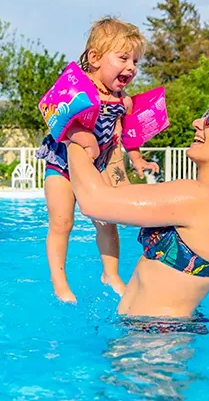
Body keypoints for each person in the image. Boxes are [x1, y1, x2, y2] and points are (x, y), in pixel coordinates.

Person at [67, 94, 209, 318]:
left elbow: (93, 202)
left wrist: (73, 133)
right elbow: (118, 196)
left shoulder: (202, 198)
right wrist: (114, 139)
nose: (197, 122)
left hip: (151, 343)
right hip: (162, 336)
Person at [36, 17, 159, 303]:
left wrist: (137, 160)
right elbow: (55, 115)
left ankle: (111, 274)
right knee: (62, 221)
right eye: (124, 58)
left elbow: (126, 134)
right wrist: (79, 133)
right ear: (94, 58)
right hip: (61, 163)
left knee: (107, 220)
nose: (131, 67)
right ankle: (60, 283)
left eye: (136, 61)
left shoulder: (121, 99)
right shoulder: (78, 89)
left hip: (100, 162)